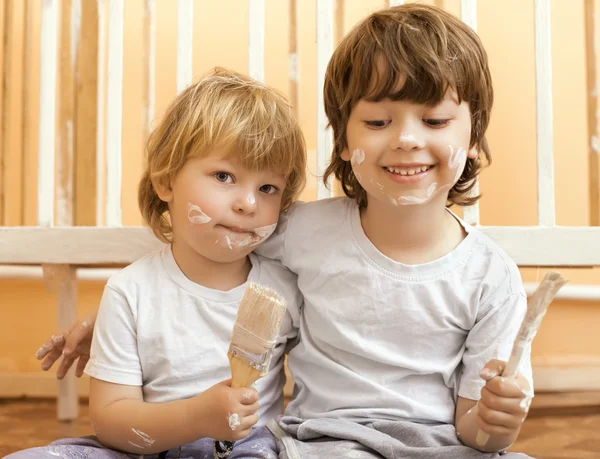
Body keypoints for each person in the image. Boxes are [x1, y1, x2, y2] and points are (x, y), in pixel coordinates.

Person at [37, 4, 536, 458]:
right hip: (324, 443)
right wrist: (110, 316)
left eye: (434, 119)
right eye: (380, 120)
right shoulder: (300, 229)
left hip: (441, 446)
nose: (407, 139)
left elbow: (479, 435)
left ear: (473, 138)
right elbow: (207, 253)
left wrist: (498, 421)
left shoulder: (493, 278)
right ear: (343, 140)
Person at [12, 67, 306, 459]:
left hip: (249, 449)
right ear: (165, 181)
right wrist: (195, 418)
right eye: (224, 175)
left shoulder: (285, 288)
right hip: (146, 448)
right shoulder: (130, 291)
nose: (248, 203)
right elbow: (112, 422)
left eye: (268, 188)